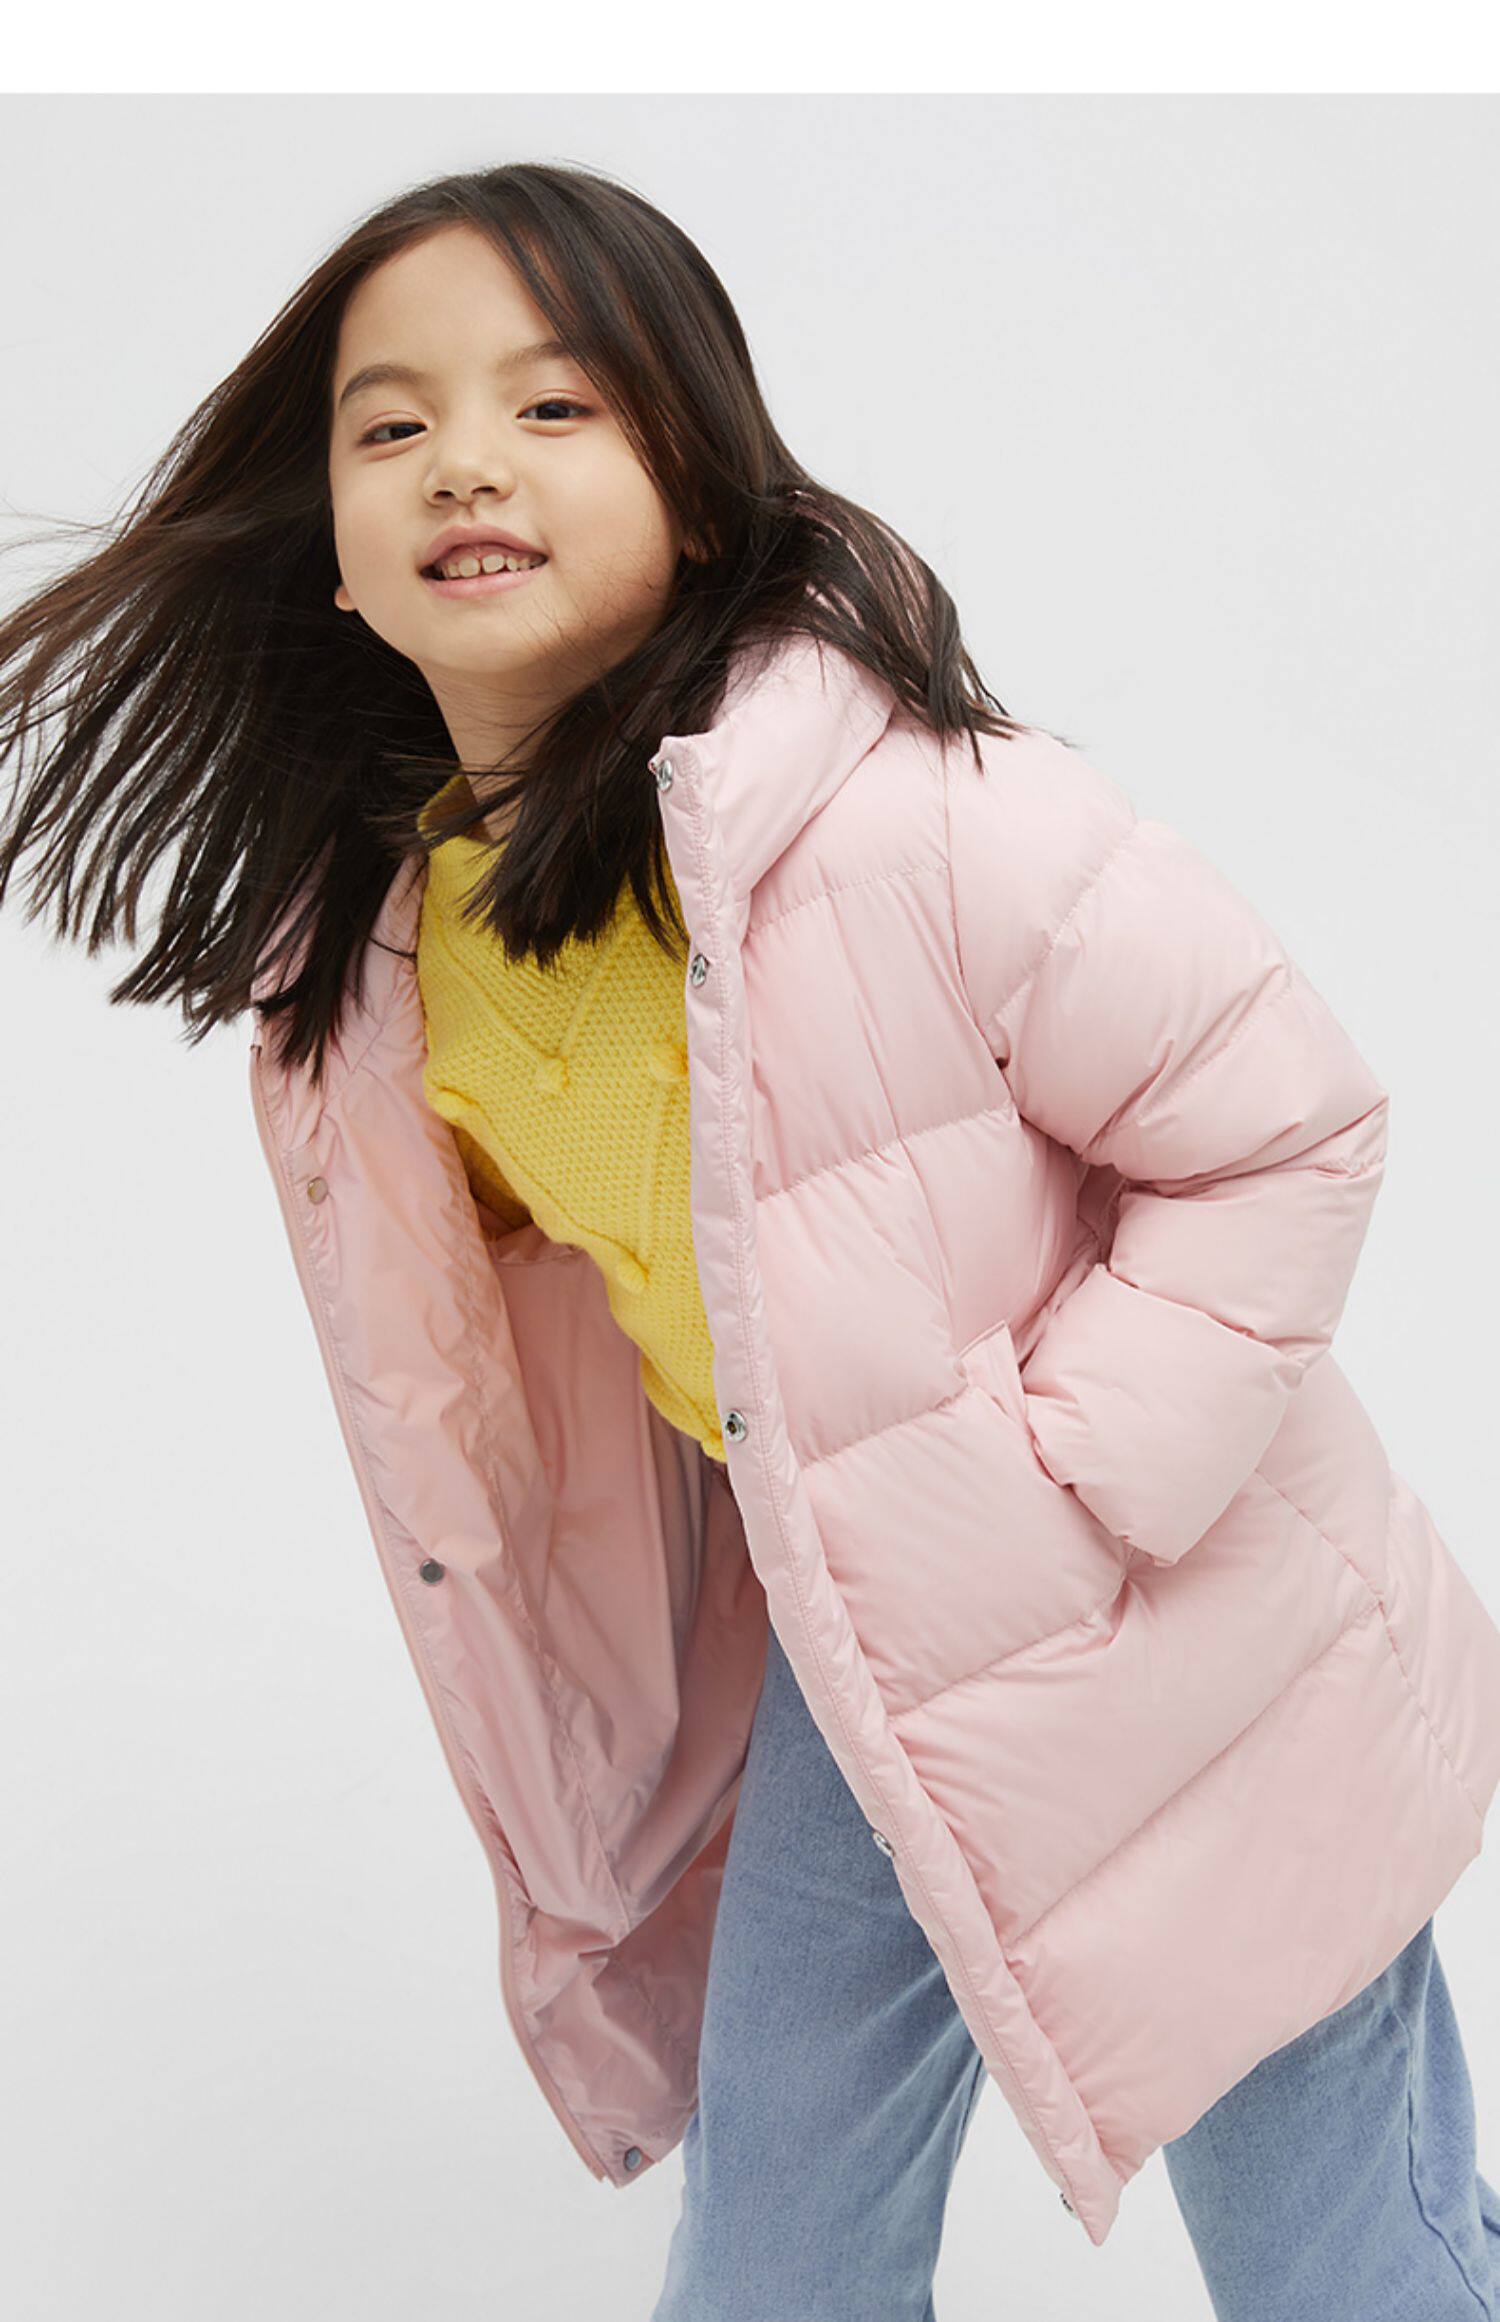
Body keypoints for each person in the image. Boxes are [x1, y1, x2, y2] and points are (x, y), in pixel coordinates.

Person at [2, 159, 1497, 2319]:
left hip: (1200, 1642)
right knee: (777, 2263)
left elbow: (1287, 1127)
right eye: (392, 424)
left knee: (1347, 2272)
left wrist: (1077, 1482)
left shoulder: (910, 818)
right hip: (858, 1666)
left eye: (556, 406)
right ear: (331, 545)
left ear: (699, 493)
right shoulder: (393, 962)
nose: (465, 463)